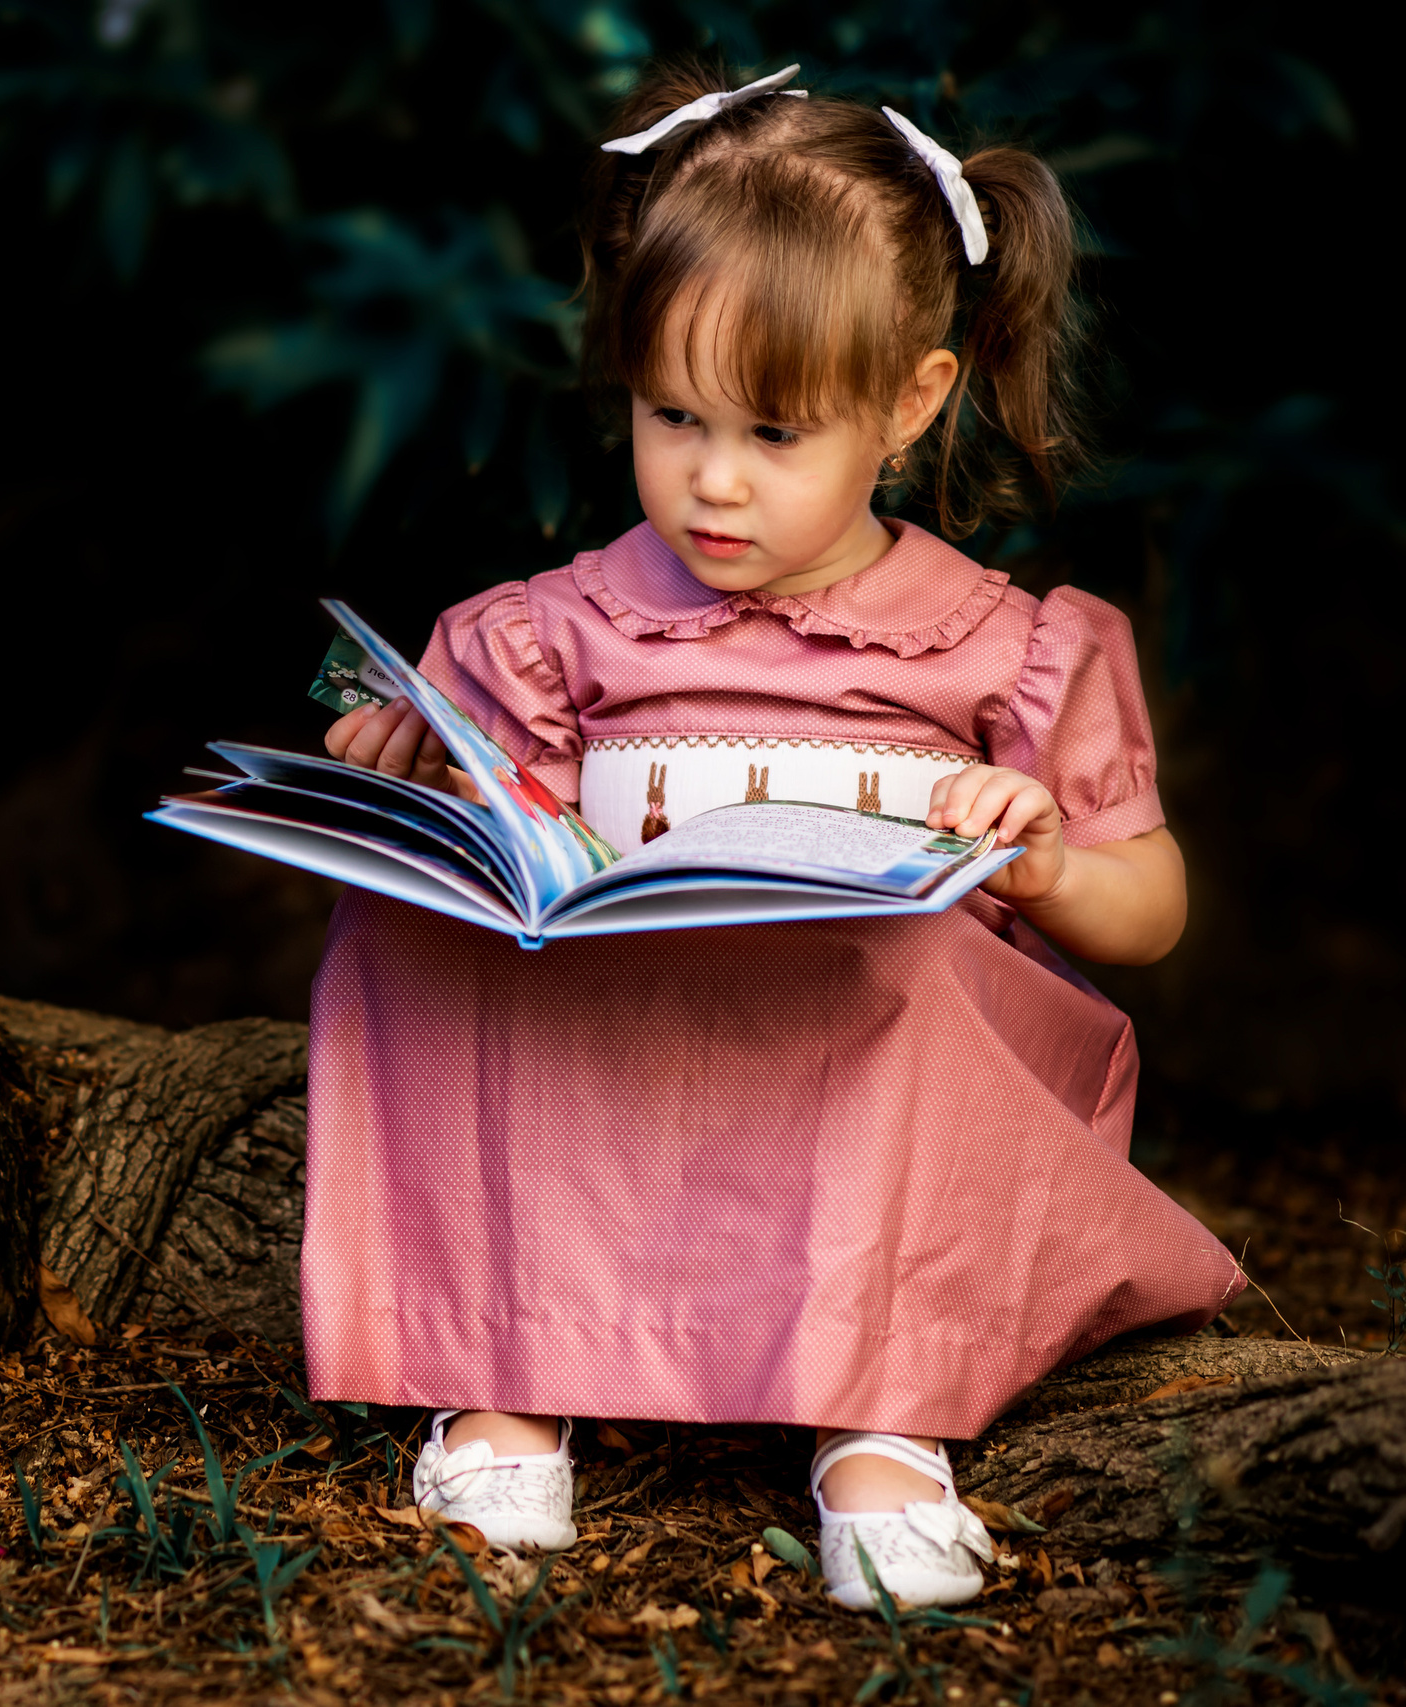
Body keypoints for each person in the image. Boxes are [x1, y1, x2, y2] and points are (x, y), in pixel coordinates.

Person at [308, 60, 1242, 1611]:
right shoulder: (553, 635)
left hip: (860, 1050)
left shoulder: (1009, 652)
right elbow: (513, 854)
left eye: (773, 431)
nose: (713, 478)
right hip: (615, 1041)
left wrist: (1051, 867)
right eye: (671, 414)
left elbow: (1153, 911)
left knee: (907, 976)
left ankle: (883, 1415)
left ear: (911, 402)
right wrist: (425, 779)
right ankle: (499, 1372)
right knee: (416, 937)